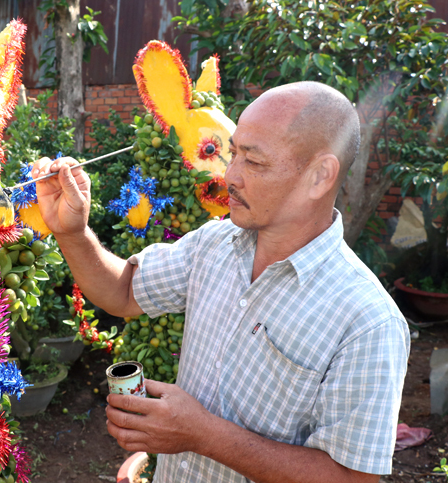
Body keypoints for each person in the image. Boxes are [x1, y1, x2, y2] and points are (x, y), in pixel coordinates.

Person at [30, 81, 409, 483]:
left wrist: (203, 434)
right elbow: (122, 292)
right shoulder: (216, 244)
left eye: (254, 161)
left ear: (320, 176)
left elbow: (353, 479)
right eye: (232, 154)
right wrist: (72, 232)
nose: (230, 176)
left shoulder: (367, 322)